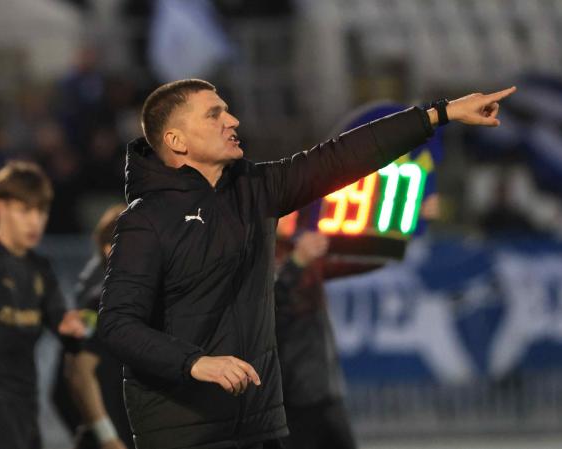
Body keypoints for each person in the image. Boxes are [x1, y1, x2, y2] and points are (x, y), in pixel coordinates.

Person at [97, 78, 515, 449]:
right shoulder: (144, 220)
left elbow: (341, 156)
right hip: (185, 432)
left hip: (258, 425)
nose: (233, 120)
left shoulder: (256, 190)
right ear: (176, 141)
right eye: (214, 114)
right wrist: (194, 362)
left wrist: (440, 114)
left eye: (227, 110)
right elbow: (117, 324)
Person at [0, 160, 86, 449]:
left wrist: (74, 325)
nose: (35, 222)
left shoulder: (41, 268)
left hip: (25, 403)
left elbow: (60, 319)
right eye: (25, 211)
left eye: (41, 211)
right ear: (0, 208)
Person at [274, 229, 356, 449]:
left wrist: (414, 222)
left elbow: (372, 256)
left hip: (325, 392)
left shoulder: (308, 251)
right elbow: (266, 307)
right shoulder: (254, 247)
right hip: (289, 399)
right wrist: (295, 264)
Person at [62, 203, 133, 449]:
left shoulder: (154, 305)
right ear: (108, 250)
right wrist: (107, 437)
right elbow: (79, 373)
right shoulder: (96, 305)